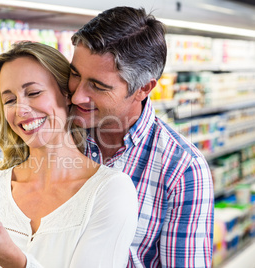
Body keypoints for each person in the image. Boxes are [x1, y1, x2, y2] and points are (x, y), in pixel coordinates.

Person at [0, 41, 138, 268]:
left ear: (67, 94)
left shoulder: (110, 190)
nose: (20, 109)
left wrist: (11, 259)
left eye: (34, 92)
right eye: (10, 100)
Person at [68, 6, 214, 268]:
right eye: (75, 74)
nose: (77, 96)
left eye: (98, 86)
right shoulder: (54, 131)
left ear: (143, 89)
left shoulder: (182, 169)